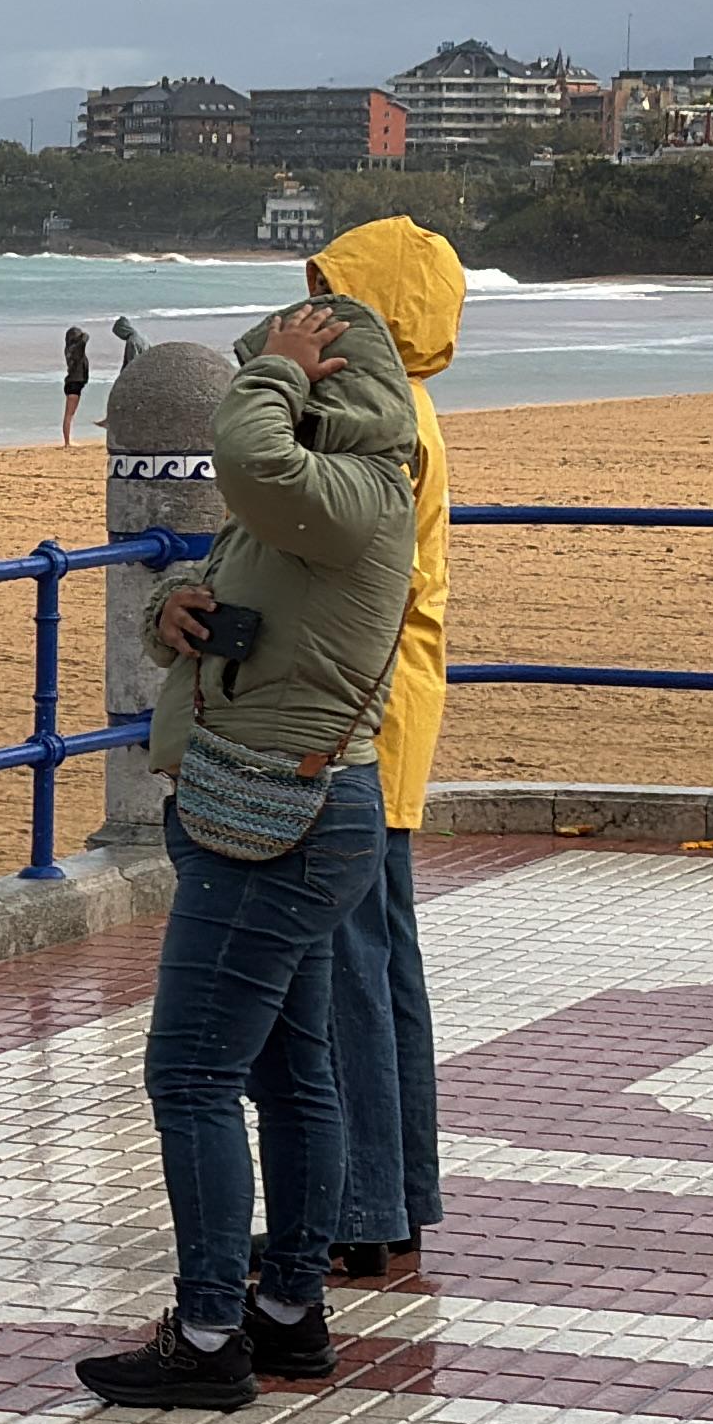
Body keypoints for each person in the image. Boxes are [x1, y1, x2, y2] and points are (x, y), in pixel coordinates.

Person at [76, 292, 416, 1412]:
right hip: (293, 810)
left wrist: (272, 371)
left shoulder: (357, 488)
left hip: (279, 819)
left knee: (190, 1074)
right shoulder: (319, 493)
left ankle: (212, 1330)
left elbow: (248, 467)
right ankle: (286, 1312)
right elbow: (232, 557)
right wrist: (171, 607)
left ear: (334, 378)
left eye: (296, 361)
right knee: (285, 1071)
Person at [305, 218, 465, 1278]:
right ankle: (397, 1189)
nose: (310, 312)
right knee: (382, 955)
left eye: (330, 294)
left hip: (355, 713)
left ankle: (361, 1204)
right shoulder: (412, 407)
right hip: (393, 707)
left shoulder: (381, 419)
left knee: (348, 966)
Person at [61, 325, 93, 443]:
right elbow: (86, 337)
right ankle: (67, 442)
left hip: (72, 383)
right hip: (74, 384)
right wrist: (82, 335)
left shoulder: (68, 349)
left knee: (69, 415)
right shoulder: (77, 350)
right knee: (69, 415)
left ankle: (68, 440)